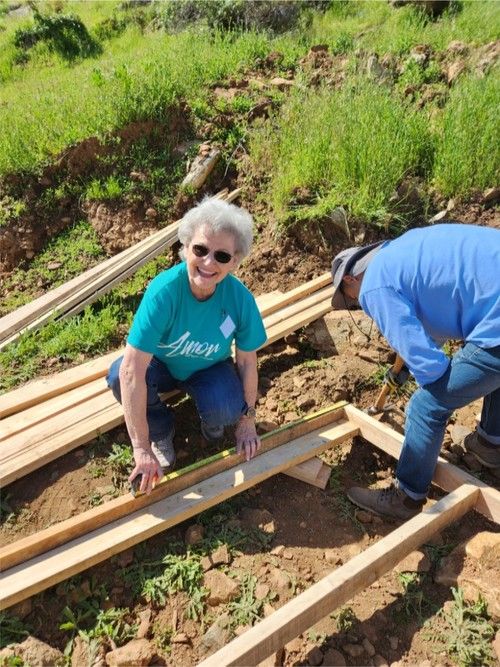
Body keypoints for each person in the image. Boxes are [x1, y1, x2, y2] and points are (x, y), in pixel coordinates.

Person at [330, 222, 500, 520]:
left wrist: (423, 375)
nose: (358, 304)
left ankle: (406, 498)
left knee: (425, 406)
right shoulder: (404, 251)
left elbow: (432, 367)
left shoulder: (374, 284)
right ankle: (489, 445)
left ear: (350, 279)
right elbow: (438, 319)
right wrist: (406, 367)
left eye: (352, 300)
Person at [107, 198, 267, 495]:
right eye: (201, 250)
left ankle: (213, 422)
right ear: (186, 247)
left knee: (226, 407)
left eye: (221, 256)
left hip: (209, 367)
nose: (208, 263)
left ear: (234, 262)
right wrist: (141, 448)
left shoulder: (240, 299)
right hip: (161, 365)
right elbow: (131, 371)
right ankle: (161, 429)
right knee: (118, 375)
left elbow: (246, 362)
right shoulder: (164, 293)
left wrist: (246, 422)